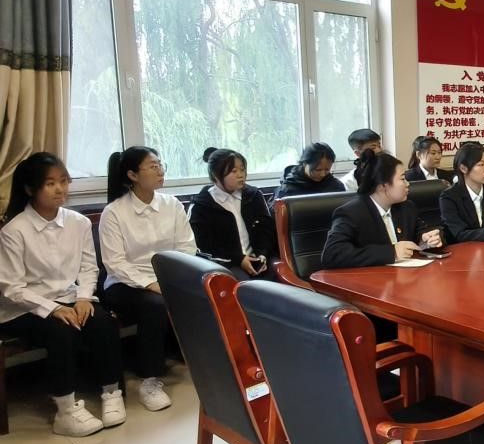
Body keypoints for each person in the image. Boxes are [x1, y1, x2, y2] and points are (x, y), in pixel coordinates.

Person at [0, 153, 125, 436]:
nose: (60, 189)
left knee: (102, 321)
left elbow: (88, 267)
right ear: (30, 189)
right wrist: (54, 309)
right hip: (23, 307)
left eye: (64, 181)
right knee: (61, 331)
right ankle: (66, 410)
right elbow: (12, 288)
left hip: (69, 297)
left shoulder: (78, 222)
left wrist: (83, 298)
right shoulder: (14, 230)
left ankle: (111, 393)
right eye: (50, 183)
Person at [99, 147, 197, 413]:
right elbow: (115, 263)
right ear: (132, 175)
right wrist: (151, 284)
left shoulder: (172, 205)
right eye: (152, 166)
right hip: (125, 284)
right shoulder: (114, 212)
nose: (160, 171)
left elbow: (186, 247)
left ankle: (206, 363)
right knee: (155, 305)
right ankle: (150, 380)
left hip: (167, 278)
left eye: (160, 165)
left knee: (207, 292)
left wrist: (172, 280)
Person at [319, 151, 443, 268]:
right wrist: (392, 252)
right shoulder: (352, 213)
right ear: (382, 186)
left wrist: (426, 239)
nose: (407, 183)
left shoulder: (406, 207)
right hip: (371, 278)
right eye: (402, 179)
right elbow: (332, 254)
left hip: (406, 276)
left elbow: (421, 231)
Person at [188, 147, 275, 279]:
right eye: (234, 171)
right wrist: (239, 259)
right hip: (225, 264)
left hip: (257, 258)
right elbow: (203, 246)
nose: (241, 175)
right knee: (245, 285)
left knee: (278, 282)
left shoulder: (254, 196)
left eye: (242, 169)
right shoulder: (201, 205)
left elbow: (266, 230)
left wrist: (262, 254)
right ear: (216, 175)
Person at [277, 141, 347, 197]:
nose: (323, 174)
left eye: (327, 170)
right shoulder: (287, 190)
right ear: (304, 164)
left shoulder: (336, 186)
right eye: (318, 170)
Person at [339, 128, 382, 192]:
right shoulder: (349, 182)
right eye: (373, 148)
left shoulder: (389, 170)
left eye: (379, 146)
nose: (379, 150)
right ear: (358, 153)